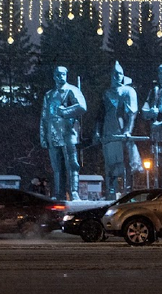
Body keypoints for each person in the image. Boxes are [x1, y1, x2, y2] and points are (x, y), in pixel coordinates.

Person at [40, 65, 87, 200]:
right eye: (58, 74)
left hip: (68, 133)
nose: (61, 77)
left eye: (63, 74)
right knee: (57, 167)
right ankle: (59, 193)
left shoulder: (72, 90)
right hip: (53, 134)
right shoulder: (49, 95)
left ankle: (74, 192)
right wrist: (43, 137)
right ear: (54, 76)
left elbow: (82, 107)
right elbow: (44, 117)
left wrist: (65, 112)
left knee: (71, 164)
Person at [98, 62, 143, 198]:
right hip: (108, 132)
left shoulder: (128, 91)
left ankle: (127, 193)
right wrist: (98, 132)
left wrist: (128, 130)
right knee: (110, 164)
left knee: (125, 165)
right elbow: (101, 114)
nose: (118, 76)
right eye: (115, 74)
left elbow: (131, 113)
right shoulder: (106, 93)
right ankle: (110, 193)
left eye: (120, 74)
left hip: (122, 132)